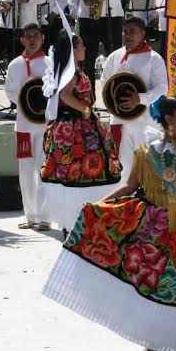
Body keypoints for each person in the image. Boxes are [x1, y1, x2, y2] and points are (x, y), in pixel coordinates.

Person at [42, 95, 176, 351]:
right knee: (155, 284)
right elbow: (129, 186)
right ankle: (151, 340)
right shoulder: (147, 151)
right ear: (168, 119)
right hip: (156, 227)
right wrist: (98, 207)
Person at [40, 29, 122, 232]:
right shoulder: (71, 73)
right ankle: (77, 221)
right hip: (75, 129)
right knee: (78, 171)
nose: (84, 48)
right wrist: (85, 110)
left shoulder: (70, 70)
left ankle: (75, 220)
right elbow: (65, 95)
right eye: (81, 45)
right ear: (73, 49)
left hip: (71, 126)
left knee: (72, 173)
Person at [101, 17, 167, 179]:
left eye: (132, 31)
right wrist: (115, 103)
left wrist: (140, 99)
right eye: (125, 31)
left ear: (143, 34)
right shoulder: (114, 57)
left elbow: (162, 88)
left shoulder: (154, 58)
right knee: (123, 169)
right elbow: (105, 82)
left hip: (145, 122)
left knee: (149, 169)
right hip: (119, 121)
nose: (128, 35)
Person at [4, 23, 51, 231]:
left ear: (42, 38)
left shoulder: (50, 62)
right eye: (28, 36)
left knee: (44, 169)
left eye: (36, 36)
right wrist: (26, 102)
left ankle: (45, 217)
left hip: (45, 124)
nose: (32, 40)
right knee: (25, 172)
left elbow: (56, 90)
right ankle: (30, 215)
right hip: (24, 124)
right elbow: (9, 91)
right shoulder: (15, 64)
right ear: (22, 40)